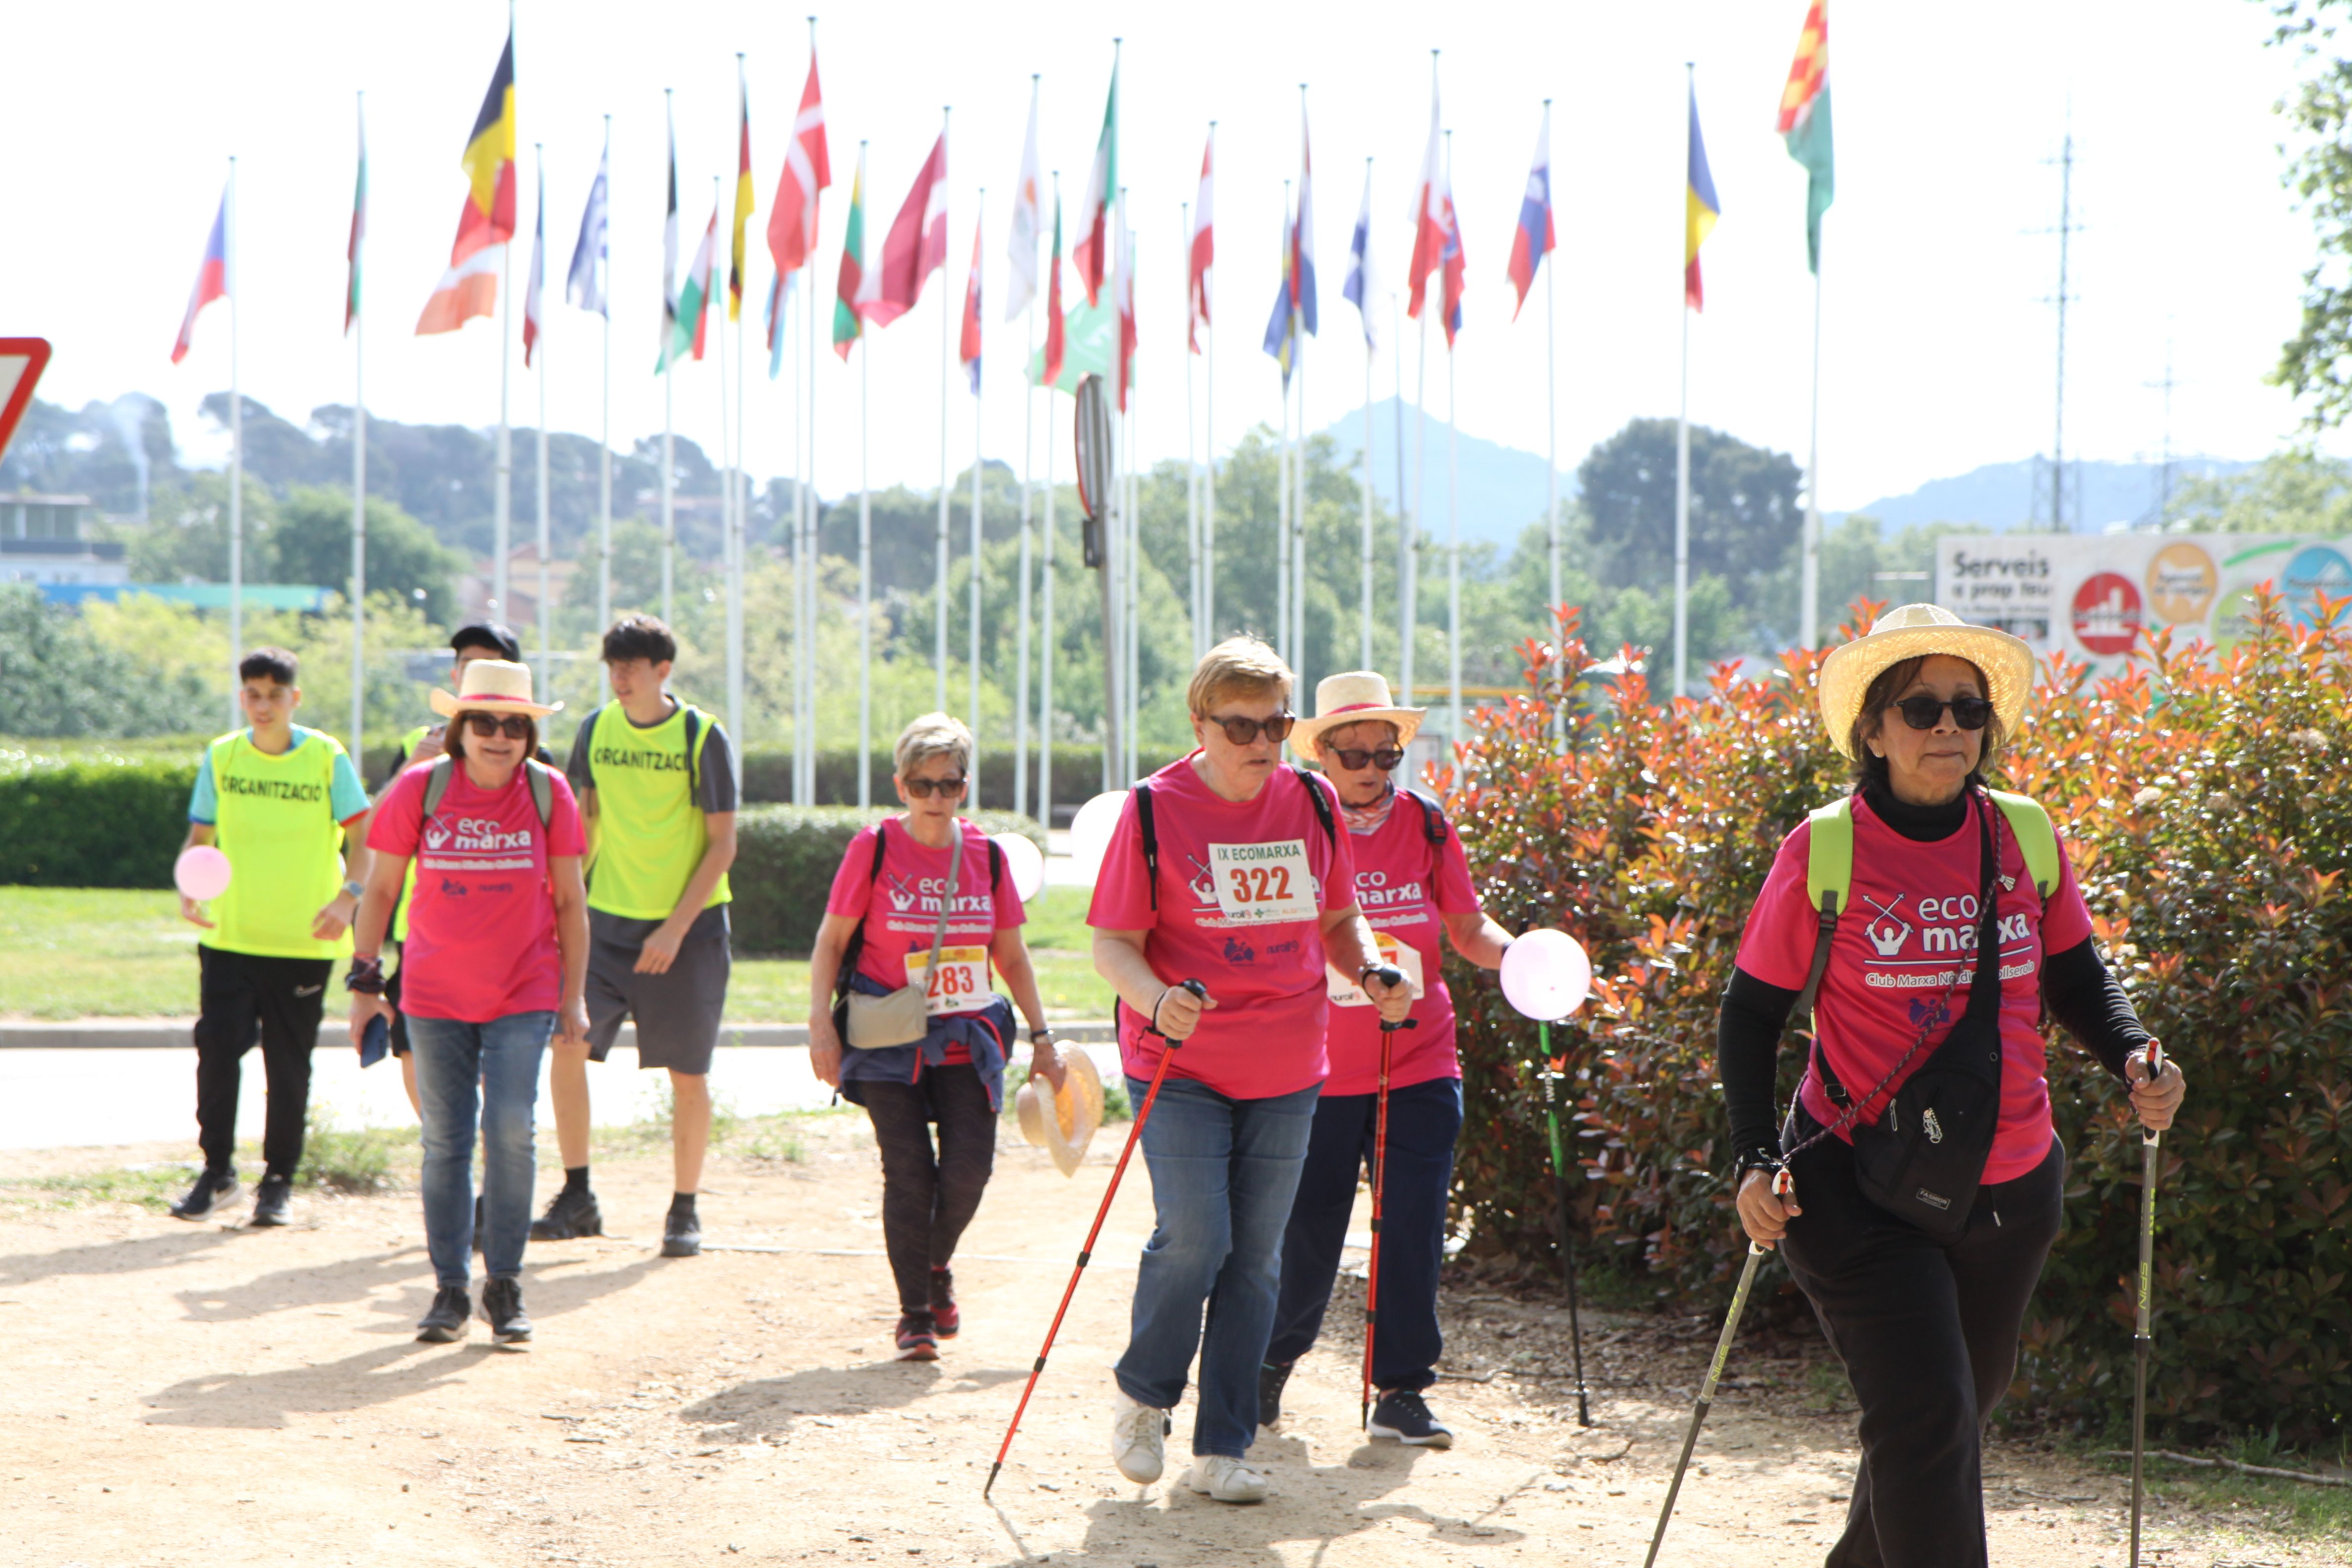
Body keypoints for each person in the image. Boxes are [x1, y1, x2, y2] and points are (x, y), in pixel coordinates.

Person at [1719, 604, 2186, 1568]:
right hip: (1852, 1184)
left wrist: (2137, 1053)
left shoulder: (2024, 834)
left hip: (2010, 1183)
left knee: (1942, 1419)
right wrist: (1754, 1160)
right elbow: (1751, 1015)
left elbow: (2073, 975)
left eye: (1967, 710)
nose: (1947, 729)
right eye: (1921, 707)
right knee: (1931, 1414)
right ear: (1874, 730)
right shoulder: (1827, 849)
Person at [1087, 638, 1411, 1505]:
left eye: (1277, 722)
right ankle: (1143, 1394)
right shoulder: (1155, 809)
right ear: (1201, 723)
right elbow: (1111, 944)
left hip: (1288, 1059)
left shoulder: (1309, 798)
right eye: (1242, 726)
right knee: (1196, 1234)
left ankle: (1222, 1444)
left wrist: (1372, 970)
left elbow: (1342, 918)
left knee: (1256, 1258)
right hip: (1179, 1059)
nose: (1263, 740)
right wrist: (1157, 999)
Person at [1262, 672, 1516, 1449]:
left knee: (1411, 1227)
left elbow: (1467, 928)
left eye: (1386, 752)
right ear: (1323, 757)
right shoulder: (1294, 823)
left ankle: (1401, 1390)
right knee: (1308, 1234)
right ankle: (1268, 1365)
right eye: (1356, 754)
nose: (1373, 768)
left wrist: (1523, 959)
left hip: (1421, 1061)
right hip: (1320, 1070)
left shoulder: (1428, 825)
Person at [808, 713, 1064, 1362]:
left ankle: (933, 1264)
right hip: (885, 1034)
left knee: (970, 1172)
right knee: (909, 1174)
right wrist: (818, 1025)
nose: (935, 799)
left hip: (964, 1034)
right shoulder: (875, 848)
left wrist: (1042, 1035)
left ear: (964, 787)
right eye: (922, 786)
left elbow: (1013, 954)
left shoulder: (986, 856)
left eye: (948, 786)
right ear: (901, 785)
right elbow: (832, 941)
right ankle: (916, 1313)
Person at [348, 659, 589, 1345]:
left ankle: (505, 1285)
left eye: (515, 724)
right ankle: (450, 1290)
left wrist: (574, 998)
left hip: (526, 989)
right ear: (459, 727)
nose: (500, 736)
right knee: (446, 1140)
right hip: (432, 994)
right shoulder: (421, 789)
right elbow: (383, 891)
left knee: (511, 1128)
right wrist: (366, 984)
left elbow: (571, 903)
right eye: (484, 721)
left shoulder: (550, 793)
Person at [531, 615, 738, 1258]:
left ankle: (684, 1209)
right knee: (568, 1046)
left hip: (688, 934)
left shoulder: (702, 736)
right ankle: (578, 1197)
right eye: (613, 667)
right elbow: (582, 824)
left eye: (632, 667)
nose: (620, 678)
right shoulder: (595, 730)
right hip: (605, 926)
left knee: (686, 1076)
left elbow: (723, 843)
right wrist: (558, 910)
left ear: (663, 671)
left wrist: (675, 930)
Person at [170, 646, 373, 1226]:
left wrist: (347, 900)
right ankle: (218, 1174)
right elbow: (201, 835)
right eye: (253, 695)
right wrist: (190, 881)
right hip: (231, 935)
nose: (263, 706)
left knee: (289, 1065)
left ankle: (278, 1182)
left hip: (305, 939)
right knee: (217, 1053)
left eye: (274, 695)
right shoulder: (224, 756)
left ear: (295, 699)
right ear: (243, 698)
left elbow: (367, 838)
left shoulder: (326, 757)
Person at [380, 621, 527, 1118]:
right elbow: (376, 827)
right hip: (421, 933)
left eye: (489, 663)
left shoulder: (528, 755)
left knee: (489, 1064)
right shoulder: (417, 743)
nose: (474, 672)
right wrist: (410, 770)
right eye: (466, 663)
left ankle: (488, 1173)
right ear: (454, 672)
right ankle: (447, 1155)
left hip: (502, 938)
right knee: (413, 1052)